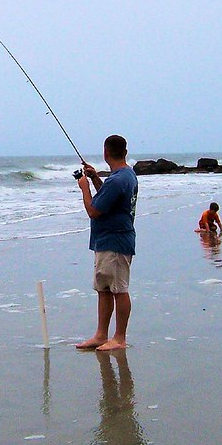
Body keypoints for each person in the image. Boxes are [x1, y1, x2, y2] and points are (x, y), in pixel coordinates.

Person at [76, 134, 138, 352]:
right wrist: (94, 179)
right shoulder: (125, 175)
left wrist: (84, 188)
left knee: (119, 289)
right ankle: (101, 335)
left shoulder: (118, 179)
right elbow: (108, 198)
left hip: (116, 240)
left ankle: (119, 337)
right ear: (125, 152)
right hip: (106, 240)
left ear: (105, 152)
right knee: (103, 288)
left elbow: (94, 210)